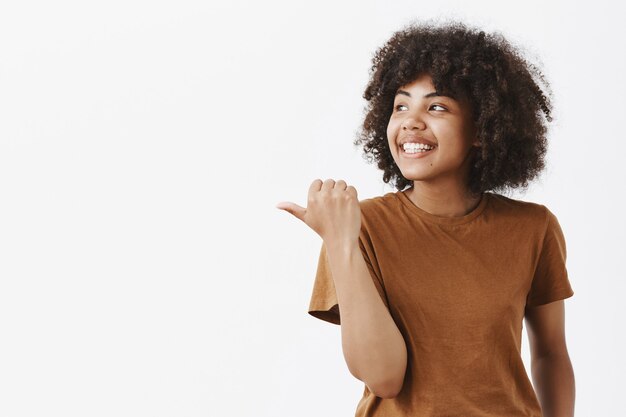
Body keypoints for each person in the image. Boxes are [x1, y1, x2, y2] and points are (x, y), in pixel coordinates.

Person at [276, 18, 575, 417]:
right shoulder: (356, 225)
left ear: (482, 129)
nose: (410, 121)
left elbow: (551, 353)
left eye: (436, 106)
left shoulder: (533, 228)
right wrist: (340, 242)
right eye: (401, 105)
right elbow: (383, 378)